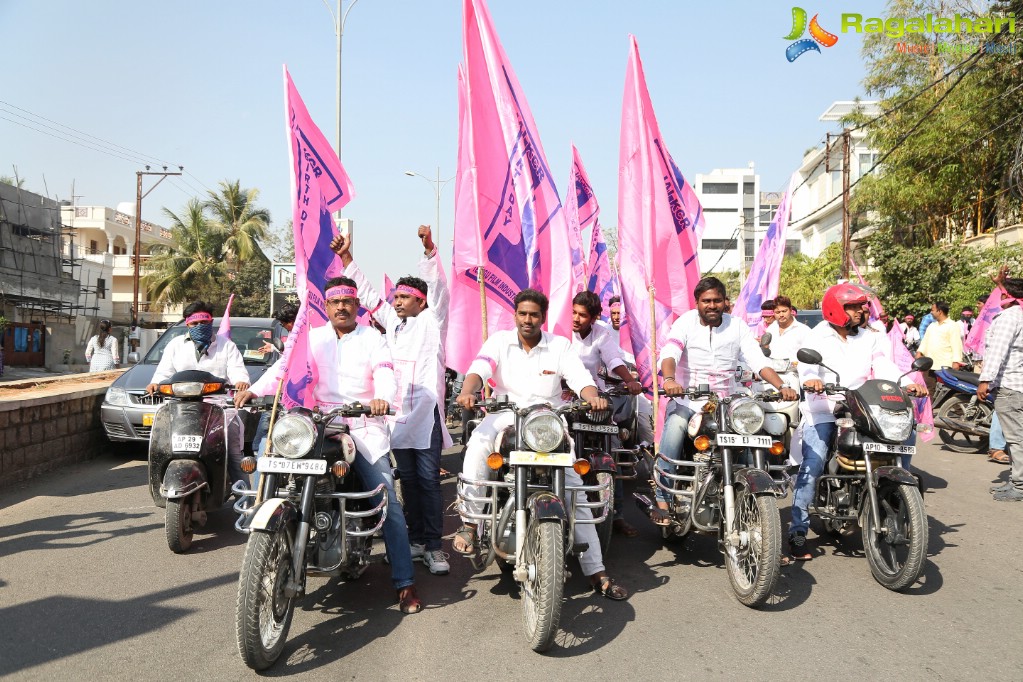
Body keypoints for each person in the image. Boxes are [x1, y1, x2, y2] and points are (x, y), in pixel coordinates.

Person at [236, 277, 423, 612]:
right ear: (325, 306)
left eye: (348, 301)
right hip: (317, 423)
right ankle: (268, 550)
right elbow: (284, 369)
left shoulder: (373, 339)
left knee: (387, 501)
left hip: (362, 424)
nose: (341, 307)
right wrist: (255, 390)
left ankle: (405, 583)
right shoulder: (312, 339)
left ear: (357, 306)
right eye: (335, 302)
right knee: (273, 472)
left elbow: (385, 372)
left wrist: (382, 398)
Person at [454, 289, 629, 601]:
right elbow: (478, 370)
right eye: (522, 313)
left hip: (548, 419)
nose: (527, 320)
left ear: (543, 318)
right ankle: (470, 523)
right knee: (478, 445)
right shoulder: (499, 341)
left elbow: (579, 377)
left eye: (534, 314)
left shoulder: (559, 345)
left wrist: (592, 397)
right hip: (505, 413)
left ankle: (596, 570)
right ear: (515, 315)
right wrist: (469, 391)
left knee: (574, 487)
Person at [331, 225, 452, 576]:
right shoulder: (393, 325)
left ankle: (433, 547)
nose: (396, 301)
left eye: (404, 297)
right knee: (409, 482)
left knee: (429, 481)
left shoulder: (432, 320)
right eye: (396, 297)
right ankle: (415, 541)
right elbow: (368, 295)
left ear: (421, 301)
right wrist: (346, 258)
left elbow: (440, 289)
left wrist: (430, 252)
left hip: (425, 418)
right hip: (396, 419)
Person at [787, 283, 927, 560]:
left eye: (862, 306)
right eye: (853, 306)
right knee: (813, 465)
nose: (862, 310)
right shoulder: (818, 337)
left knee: (904, 434)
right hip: (825, 407)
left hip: (862, 405)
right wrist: (811, 380)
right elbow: (807, 367)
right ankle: (798, 529)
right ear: (836, 309)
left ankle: (899, 494)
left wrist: (907, 382)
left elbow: (884, 365)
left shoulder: (870, 336)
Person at [654, 277, 798, 522]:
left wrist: (782, 385)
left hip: (729, 402)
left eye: (717, 300)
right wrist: (669, 380)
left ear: (725, 302)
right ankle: (663, 499)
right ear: (697, 302)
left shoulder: (738, 326)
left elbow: (757, 360)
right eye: (706, 301)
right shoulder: (684, 323)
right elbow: (670, 353)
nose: (712, 305)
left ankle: (757, 506)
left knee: (754, 438)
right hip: (689, 401)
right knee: (675, 430)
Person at [148, 302, 250, 485]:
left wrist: (240, 382)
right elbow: (163, 373)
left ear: (211, 322)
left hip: (219, 405)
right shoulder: (175, 345)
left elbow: (237, 371)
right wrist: (155, 384)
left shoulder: (227, 346)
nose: (199, 326)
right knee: (162, 444)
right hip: (181, 406)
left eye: (204, 322)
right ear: (187, 324)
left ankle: (246, 499)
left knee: (233, 448)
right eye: (195, 324)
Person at [570, 290, 644, 538]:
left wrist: (629, 380)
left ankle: (617, 514)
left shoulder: (601, 334)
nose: (576, 318)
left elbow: (613, 359)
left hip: (596, 402)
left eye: (582, 315)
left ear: (593, 318)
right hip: (564, 399)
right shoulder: (560, 331)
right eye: (574, 312)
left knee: (613, 449)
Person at [978, 276, 1023, 502]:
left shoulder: (1008, 317)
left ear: (1006, 297)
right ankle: (1016, 481)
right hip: (1019, 385)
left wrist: (985, 380)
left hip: (1010, 386)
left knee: (1016, 439)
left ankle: (1020, 486)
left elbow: (998, 350)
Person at [917, 300, 964, 395]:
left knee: (947, 390)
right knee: (928, 388)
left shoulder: (952, 325)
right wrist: (919, 352)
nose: (931, 312)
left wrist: (956, 361)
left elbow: (956, 344)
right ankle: (929, 409)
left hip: (944, 364)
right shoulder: (932, 326)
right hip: (930, 363)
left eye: (933, 310)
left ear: (940, 311)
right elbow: (925, 341)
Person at [763, 295, 810, 360]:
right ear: (774, 313)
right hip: (772, 368)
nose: (781, 315)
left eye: (784, 311)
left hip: (794, 369)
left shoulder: (803, 330)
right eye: (778, 312)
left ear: (790, 310)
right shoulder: (771, 329)